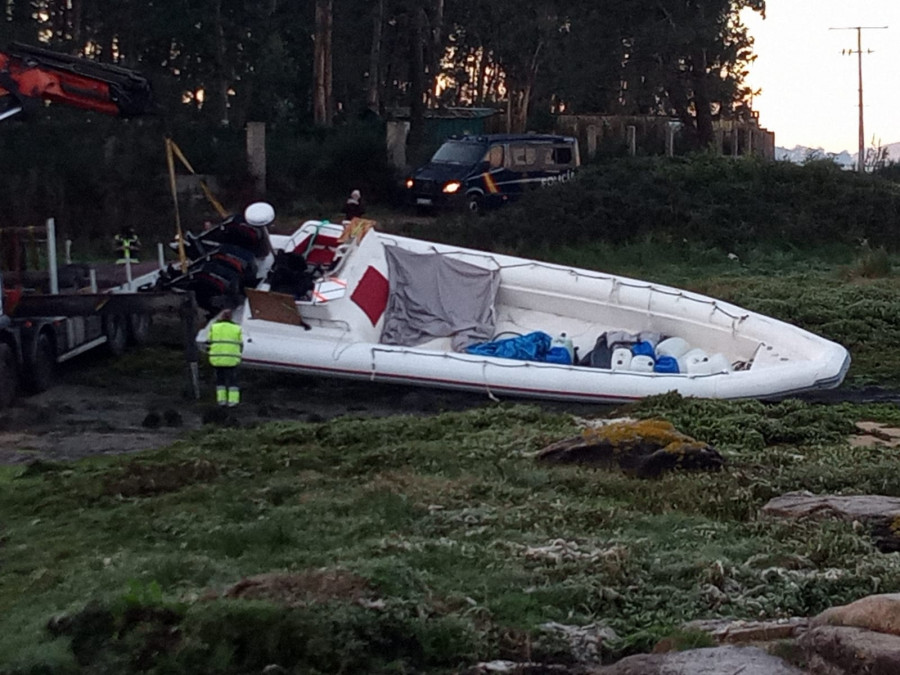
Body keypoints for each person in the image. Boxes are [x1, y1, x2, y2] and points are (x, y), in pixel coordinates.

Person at [207, 308, 243, 407]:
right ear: (231, 317)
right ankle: (233, 401)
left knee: (220, 380)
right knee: (233, 381)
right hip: (231, 359)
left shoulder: (214, 327)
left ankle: (221, 400)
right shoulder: (237, 328)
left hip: (217, 359)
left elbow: (208, 340)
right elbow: (241, 343)